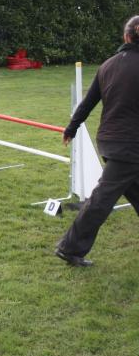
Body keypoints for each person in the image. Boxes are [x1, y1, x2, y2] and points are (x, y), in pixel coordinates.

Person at [55, 15, 139, 267]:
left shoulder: (107, 65)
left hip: (109, 141)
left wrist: (71, 127)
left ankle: (70, 247)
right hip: (130, 146)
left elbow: (88, 102)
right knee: (102, 199)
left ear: (126, 37)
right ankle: (69, 248)